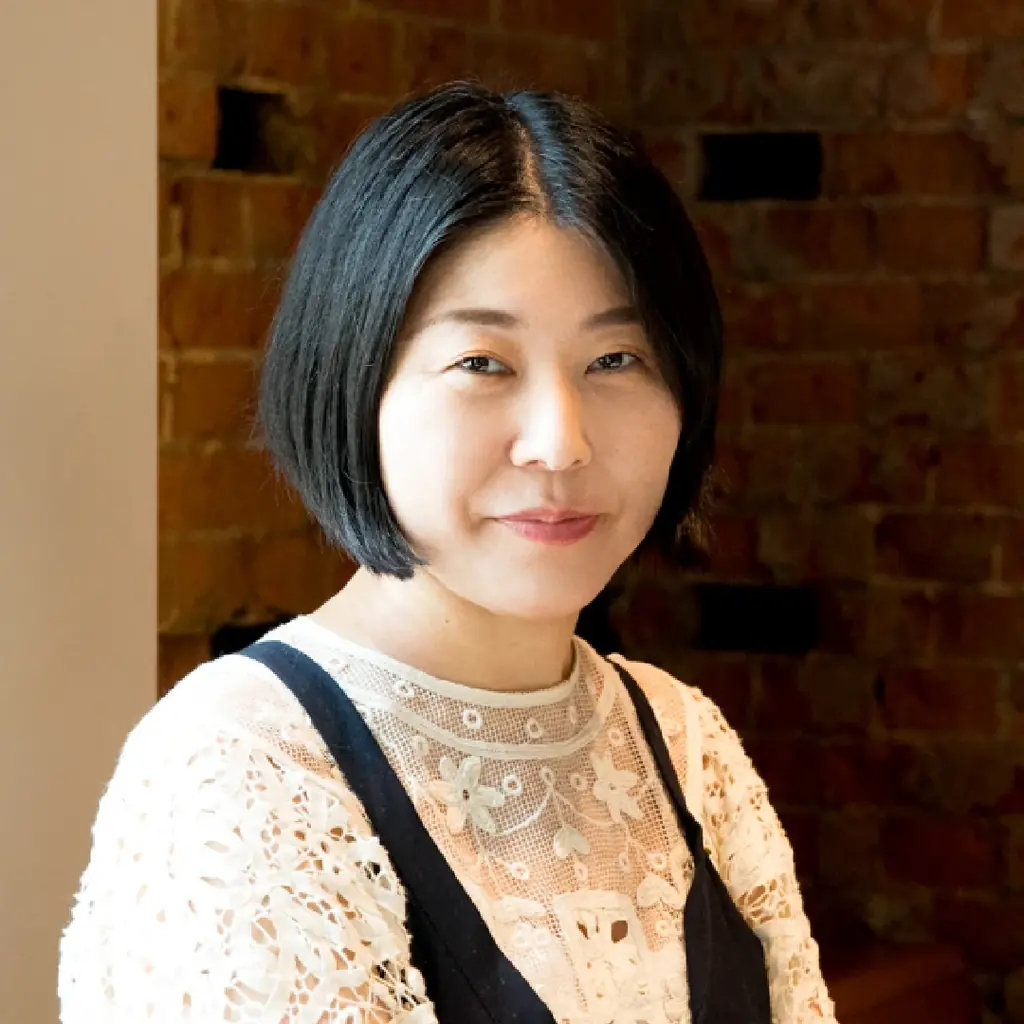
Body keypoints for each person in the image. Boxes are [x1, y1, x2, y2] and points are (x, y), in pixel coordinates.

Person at [58, 81, 837, 1023]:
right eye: (482, 364)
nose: (560, 443)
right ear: (354, 380)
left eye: (615, 361)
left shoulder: (683, 743)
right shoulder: (246, 767)